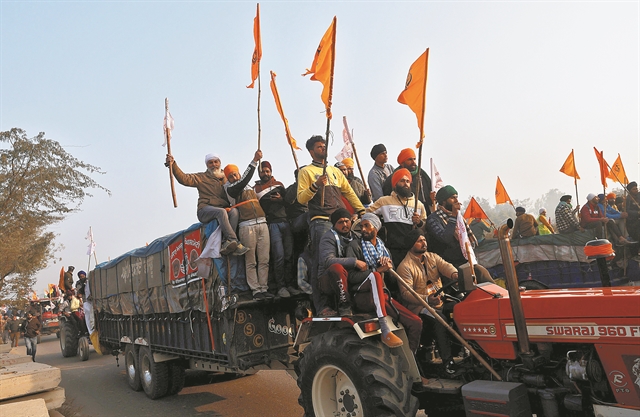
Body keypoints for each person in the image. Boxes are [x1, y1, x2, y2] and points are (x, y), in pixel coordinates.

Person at [297, 135, 365, 314]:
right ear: (311, 151)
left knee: (349, 257)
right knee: (321, 263)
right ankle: (323, 306)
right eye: (319, 147)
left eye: (324, 145)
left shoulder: (335, 171)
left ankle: (348, 301)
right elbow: (301, 199)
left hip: (341, 220)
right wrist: (315, 185)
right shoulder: (306, 171)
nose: (323, 148)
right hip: (321, 221)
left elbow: (349, 193)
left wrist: (361, 210)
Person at [317, 209, 403, 348]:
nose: (345, 224)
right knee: (338, 268)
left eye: (347, 221)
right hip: (329, 280)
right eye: (340, 222)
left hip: (353, 278)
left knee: (412, 320)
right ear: (334, 225)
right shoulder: (329, 238)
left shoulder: (356, 236)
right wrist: (354, 262)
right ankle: (345, 304)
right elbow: (327, 261)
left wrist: (383, 261)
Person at [345, 213, 423, 352]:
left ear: (376, 228)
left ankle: (412, 367)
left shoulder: (383, 249)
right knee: (375, 275)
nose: (363, 229)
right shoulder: (355, 246)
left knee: (416, 323)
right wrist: (379, 269)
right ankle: (385, 330)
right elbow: (351, 277)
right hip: (363, 295)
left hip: (384, 295)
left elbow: (392, 280)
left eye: (367, 226)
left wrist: (388, 269)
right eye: (362, 226)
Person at [396, 230, 458, 375]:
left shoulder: (432, 257)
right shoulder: (404, 266)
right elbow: (406, 294)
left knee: (459, 309)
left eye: (424, 239)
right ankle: (448, 362)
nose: (424, 243)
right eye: (419, 241)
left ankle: (462, 352)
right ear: (411, 244)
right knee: (440, 320)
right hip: (419, 307)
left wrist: (455, 274)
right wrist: (427, 299)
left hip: (439, 301)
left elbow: (446, 266)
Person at [166, 152, 248, 256]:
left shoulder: (227, 177)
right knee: (221, 212)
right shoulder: (202, 177)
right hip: (205, 210)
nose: (214, 164)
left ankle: (227, 242)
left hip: (224, 209)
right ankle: (233, 240)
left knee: (235, 212)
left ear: (220, 163)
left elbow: (240, 185)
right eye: (210, 163)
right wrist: (173, 164)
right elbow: (184, 179)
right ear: (207, 165)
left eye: (216, 162)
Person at [223, 150, 272, 301]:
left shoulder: (250, 187)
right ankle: (256, 290)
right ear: (228, 178)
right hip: (246, 225)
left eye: (235, 174)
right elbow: (244, 180)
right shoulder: (231, 189)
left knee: (264, 259)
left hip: (262, 223)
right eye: (231, 175)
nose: (234, 177)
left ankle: (264, 288)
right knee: (251, 261)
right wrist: (254, 161)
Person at [425, 185, 495, 281]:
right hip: (447, 265)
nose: (456, 201)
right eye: (452, 198)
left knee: (482, 274)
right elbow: (445, 238)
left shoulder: (459, 218)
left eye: (456, 197)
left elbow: (467, 239)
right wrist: (453, 216)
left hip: (465, 261)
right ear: (443, 201)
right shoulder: (433, 219)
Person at [367, 168, 426, 278]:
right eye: (402, 181)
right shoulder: (384, 201)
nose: (405, 184)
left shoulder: (419, 204)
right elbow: (367, 215)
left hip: (413, 250)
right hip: (394, 250)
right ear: (395, 184)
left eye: (408, 181)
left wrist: (419, 222)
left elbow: (424, 228)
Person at [254, 161, 301, 298]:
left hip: (285, 223)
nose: (265, 174)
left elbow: (289, 201)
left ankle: (290, 285)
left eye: (267, 171)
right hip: (271, 224)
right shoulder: (256, 189)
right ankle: (280, 287)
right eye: (262, 171)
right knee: (278, 256)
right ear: (259, 173)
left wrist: (281, 199)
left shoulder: (278, 184)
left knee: (289, 255)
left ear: (271, 171)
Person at [381, 148, 433, 212]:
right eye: (410, 159)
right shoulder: (393, 178)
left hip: (423, 213)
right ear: (402, 163)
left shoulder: (422, 175)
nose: (413, 162)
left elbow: (430, 193)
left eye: (414, 159)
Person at [625, 182, 640, 251]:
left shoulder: (639, 196)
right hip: (632, 222)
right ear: (630, 190)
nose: (636, 190)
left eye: (636, 188)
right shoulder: (628, 199)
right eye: (634, 189)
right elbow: (627, 211)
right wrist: (637, 213)